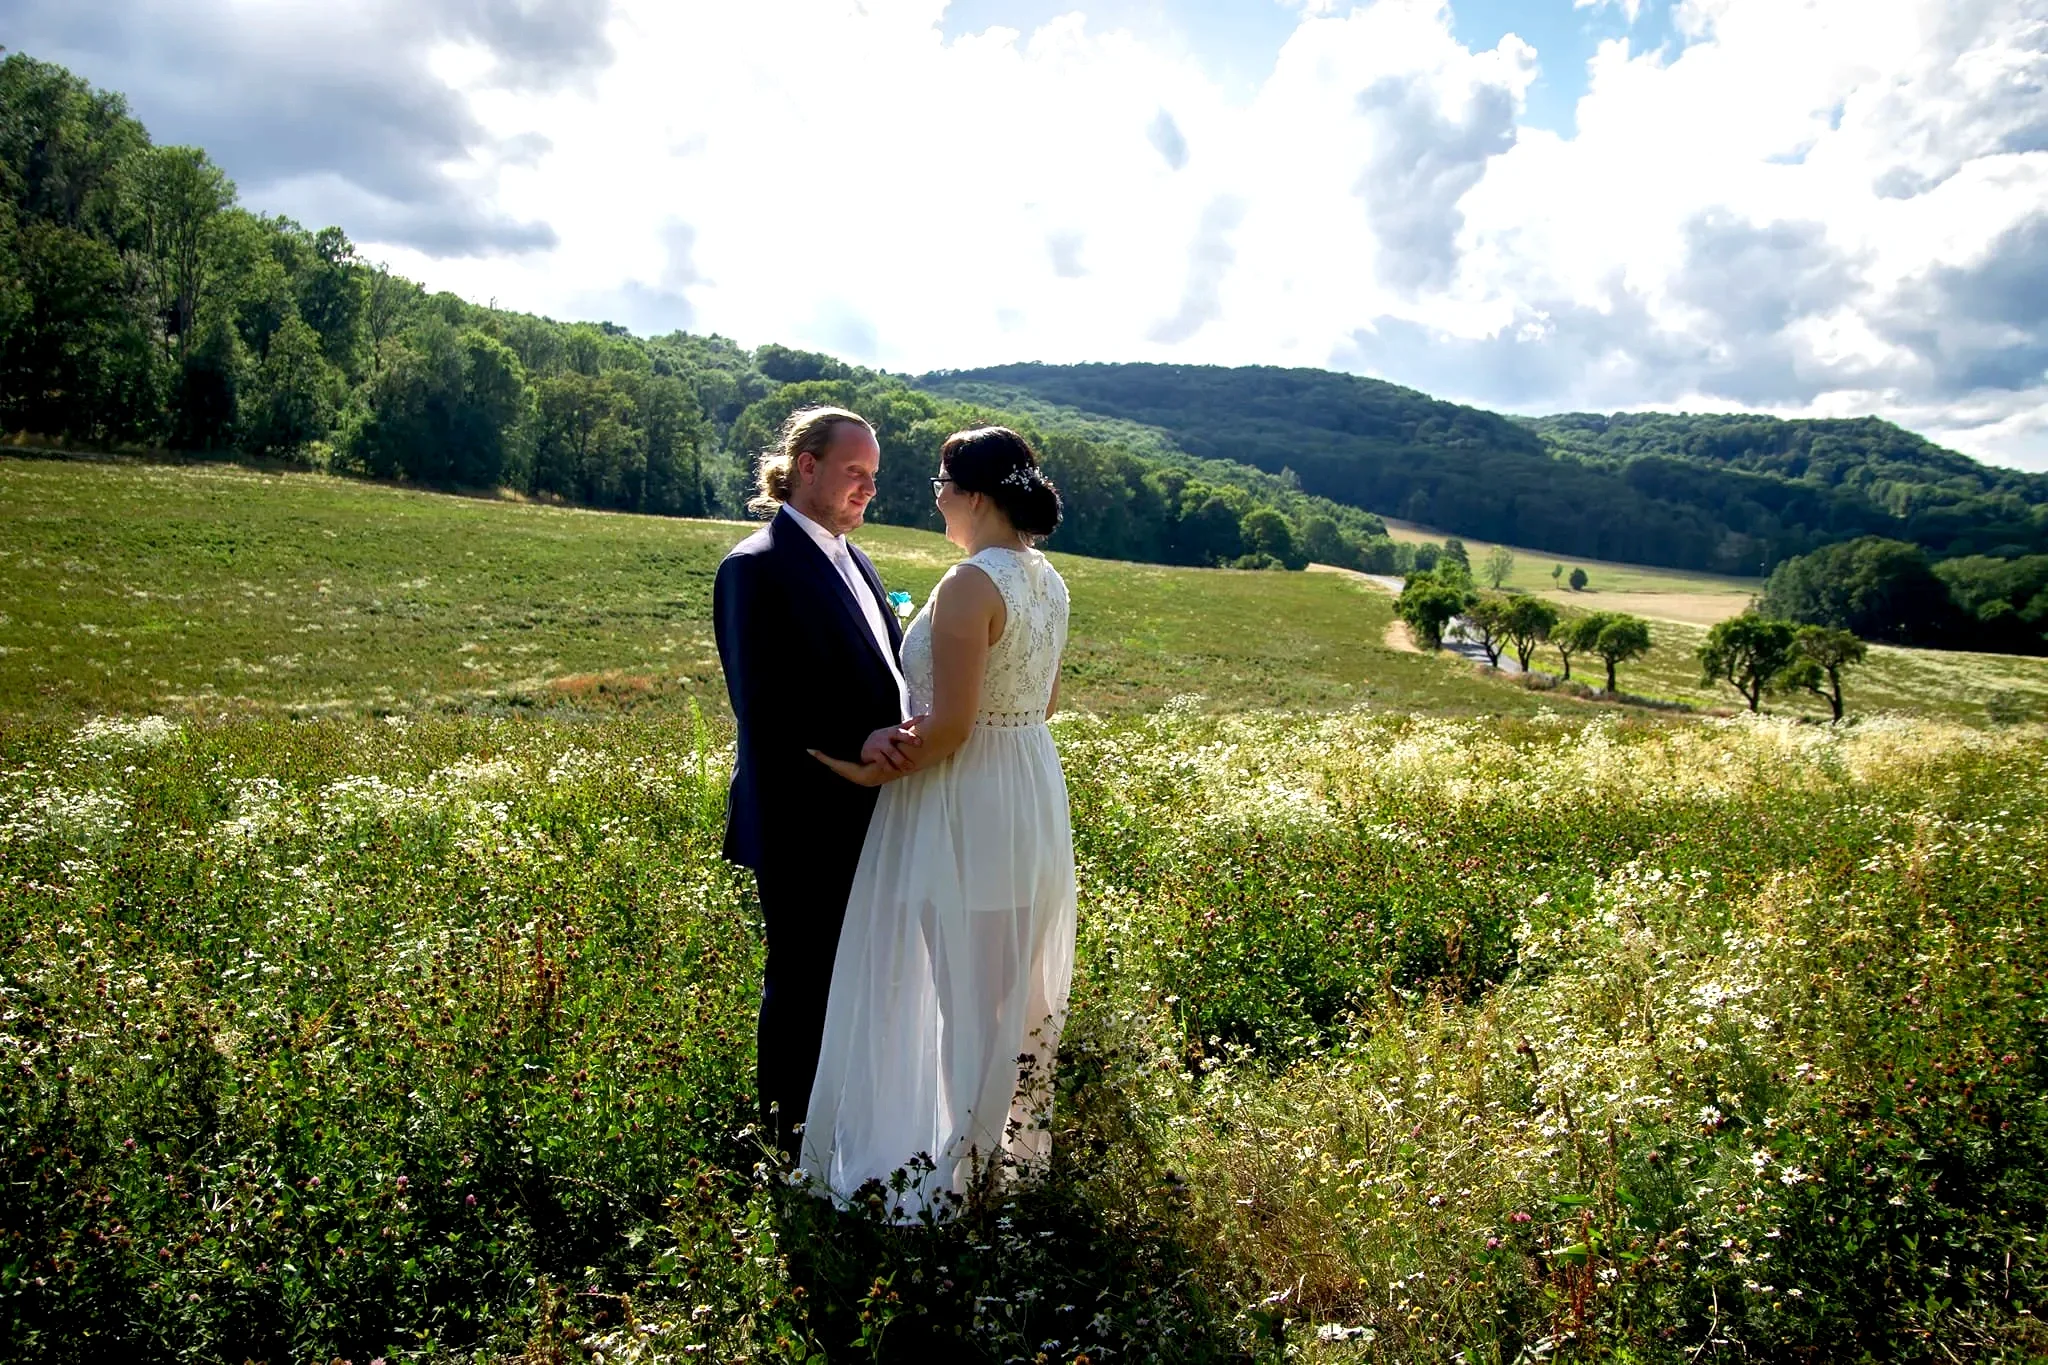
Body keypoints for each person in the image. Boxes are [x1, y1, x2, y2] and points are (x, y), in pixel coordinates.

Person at [801, 426, 1076, 1221]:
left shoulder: (968, 585)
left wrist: (865, 768)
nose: (936, 495)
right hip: (1026, 787)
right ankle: (995, 1166)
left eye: (942, 483)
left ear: (974, 496)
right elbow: (1045, 701)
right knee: (1003, 996)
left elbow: (951, 726)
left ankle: (960, 1185)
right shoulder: (1047, 579)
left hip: (965, 797)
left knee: (962, 992)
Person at [712, 405, 922, 1155]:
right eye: (853, 472)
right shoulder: (754, 564)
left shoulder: (856, 559)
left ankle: (842, 1130)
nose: (867, 488)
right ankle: (784, 1142)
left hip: (866, 808)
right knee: (803, 985)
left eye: (874, 476)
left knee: (854, 980)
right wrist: (854, 738)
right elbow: (760, 697)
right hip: (801, 815)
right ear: (806, 466)